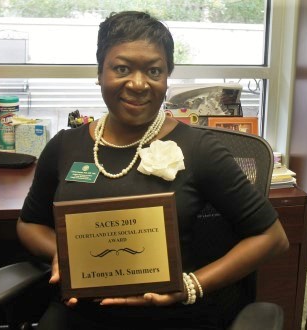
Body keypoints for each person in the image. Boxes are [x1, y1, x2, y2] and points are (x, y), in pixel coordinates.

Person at [17, 10, 289, 329]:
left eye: (154, 71)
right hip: (81, 314)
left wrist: (192, 285)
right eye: (121, 68)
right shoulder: (65, 146)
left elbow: (273, 237)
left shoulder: (199, 149)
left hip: (171, 316)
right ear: (99, 71)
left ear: (167, 77)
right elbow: (29, 224)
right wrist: (64, 253)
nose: (137, 84)